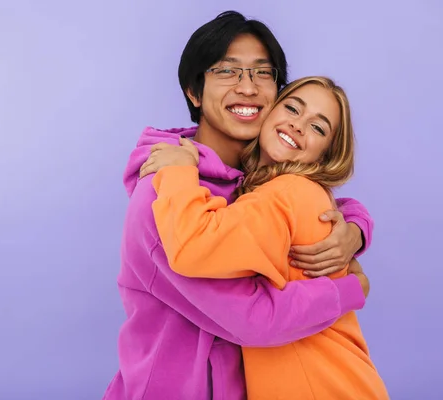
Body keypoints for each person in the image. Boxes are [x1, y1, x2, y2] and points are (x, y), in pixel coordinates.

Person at [103, 11, 375, 400]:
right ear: (194, 93)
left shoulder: (254, 183)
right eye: (227, 71)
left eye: (262, 74)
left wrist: (355, 228)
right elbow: (252, 320)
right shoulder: (165, 190)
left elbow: (306, 201)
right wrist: (350, 289)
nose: (248, 88)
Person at [143, 76, 389, 399]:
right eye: (292, 108)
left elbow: (192, 247)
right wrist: (358, 229)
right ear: (270, 110)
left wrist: (178, 172)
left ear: (326, 157)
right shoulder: (293, 194)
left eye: (318, 128)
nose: (298, 126)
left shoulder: (285, 194)